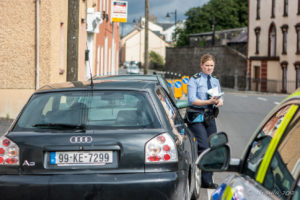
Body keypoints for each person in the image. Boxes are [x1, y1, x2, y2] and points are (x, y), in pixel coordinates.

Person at [187, 53, 223, 189]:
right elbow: (192, 100)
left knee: (213, 147)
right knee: (203, 146)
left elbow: (219, 98)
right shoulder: (194, 80)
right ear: (201, 65)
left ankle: (207, 180)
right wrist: (208, 101)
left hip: (210, 117)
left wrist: (219, 102)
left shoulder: (215, 81)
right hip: (197, 117)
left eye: (211, 66)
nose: (209, 68)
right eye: (207, 65)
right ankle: (196, 174)